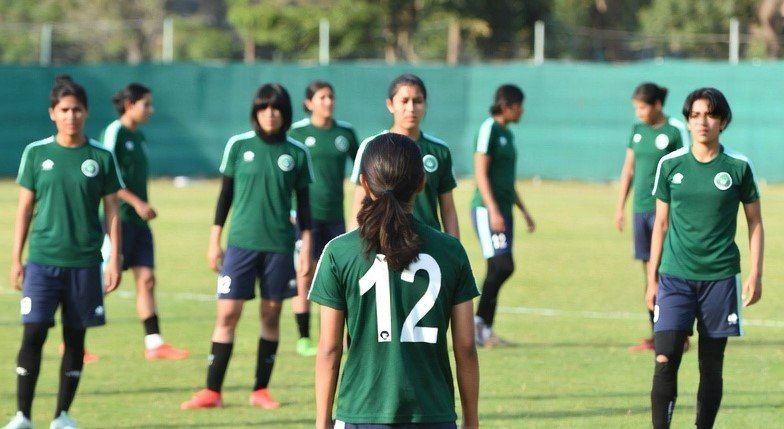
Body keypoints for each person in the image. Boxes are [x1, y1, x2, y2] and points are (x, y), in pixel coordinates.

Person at [311, 132, 479, 429]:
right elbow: (465, 346)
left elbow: (329, 349)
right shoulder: (451, 251)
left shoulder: (339, 252)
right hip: (434, 415)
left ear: (364, 183)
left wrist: (323, 423)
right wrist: (472, 420)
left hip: (360, 413)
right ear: (422, 183)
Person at [180, 83, 313, 410]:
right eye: (264, 107)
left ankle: (260, 390)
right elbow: (224, 197)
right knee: (227, 314)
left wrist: (306, 249)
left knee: (271, 315)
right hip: (240, 245)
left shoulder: (296, 153)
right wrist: (215, 240)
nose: (270, 113)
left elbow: (306, 210)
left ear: (285, 113)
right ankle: (212, 391)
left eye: (277, 108)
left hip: (279, 247)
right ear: (256, 111)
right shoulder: (238, 146)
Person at [3, 75, 123, 429]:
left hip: (85, 263)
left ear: (86, 113)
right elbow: (24, 209)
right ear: (53, 113)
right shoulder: (37, 153)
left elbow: (113, 210)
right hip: (42, 261)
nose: (72, 116)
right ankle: (23, 415)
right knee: (34, 333)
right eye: (65, 110)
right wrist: (15, 259)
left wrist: (114, 257)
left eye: (78, 110)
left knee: (75, 338)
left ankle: (62, 415)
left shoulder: (100, 156)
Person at [646, 87, 763, 429]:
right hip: (674, 277)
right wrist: (651, 277)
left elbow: (755, 222)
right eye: (695, 115)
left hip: (721, 279)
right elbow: (661, 224)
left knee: (711, 365)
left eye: (710, 115)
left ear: (722, 121)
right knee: (665, 357)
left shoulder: (738, 166)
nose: (702, 122)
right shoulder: (670, 164)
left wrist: (755, 273)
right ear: (687, 120)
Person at [98, 83, 189, 360]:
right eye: (146, 104)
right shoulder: (115, 132)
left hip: (138, 223)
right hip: (118, 219)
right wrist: (137, 202)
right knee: (104, 280)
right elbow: (106, 175)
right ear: (130, 105)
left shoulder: (140, 137)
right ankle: (73, 335)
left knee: (146, 280)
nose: (151, 109)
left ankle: (154, 343)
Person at [614, 82, 690, 352]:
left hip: (667, 210)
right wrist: (620, 206)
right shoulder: (637, 131)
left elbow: (689, 165)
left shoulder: (676, 131)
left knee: (668, 270)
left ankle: (678, 334)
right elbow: (629, 169)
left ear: (657, 105)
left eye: (643, 107)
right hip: (641, 209)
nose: (639, 113)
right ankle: (659, 333)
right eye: (636, 108)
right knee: (650, 272)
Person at [287, 80, 359, 357]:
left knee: (338, 278)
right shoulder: (297, 133)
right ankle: (304, 337)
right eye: (322, 97)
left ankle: (338, 337)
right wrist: (291, 211)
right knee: (305, 273)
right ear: (309, 103)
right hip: (305, 219)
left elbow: (363, 169)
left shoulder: (345, 133)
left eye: (330, 96)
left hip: (336, 218)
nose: (328, 102)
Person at [349, 73, 459, 238]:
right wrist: (354, 250)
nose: (411, 108)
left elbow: (448, 209)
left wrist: (454, 251)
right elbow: (359, 205)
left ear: (425, 105)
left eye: (417, 101)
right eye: (404, 100)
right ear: (390, 104)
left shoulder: (439, 150)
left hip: (428, 245)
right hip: (384, 244)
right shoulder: (372, 146)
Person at [470, 84, 535, 348]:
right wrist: (493, 210)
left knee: (500, 267)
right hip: (488, 211)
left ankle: (483, 329)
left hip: (505, 211)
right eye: (520, 106)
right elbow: (481, 173)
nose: (523, 111)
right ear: (508, 106)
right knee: (501, 265)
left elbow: (506, 180)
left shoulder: (507, 134)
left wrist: (524, 211)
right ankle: (477, 325)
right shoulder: (490, 130)